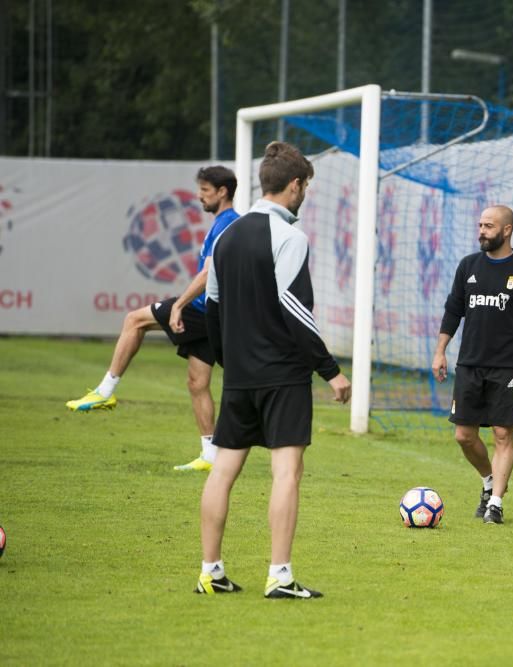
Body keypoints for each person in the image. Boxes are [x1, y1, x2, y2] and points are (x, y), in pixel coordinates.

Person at [196, 141, 351, 599]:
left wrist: (230, 361)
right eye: (306, 188)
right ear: (295, 185)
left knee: (222, 470)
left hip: (241, 376)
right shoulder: (291, 237)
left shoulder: (227, 236)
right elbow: (294, 308)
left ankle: (210, 571)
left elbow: (214, 307)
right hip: (283, 377)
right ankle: (280, 576)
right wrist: (331, 371)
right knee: (287, 473)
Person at [66, 166, 240, 472]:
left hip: (201, 308)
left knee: (134, 320)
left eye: (205, 191)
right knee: (197, 382)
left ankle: (105, 391)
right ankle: (210, 455)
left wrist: (179, 304)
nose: (200, 196)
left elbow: (209, 271)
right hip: (217, 314)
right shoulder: (223, 222)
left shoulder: (227, 223)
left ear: (223, 191)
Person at [432, 205, 513, 525]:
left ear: (507, 229)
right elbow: (453, 310)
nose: (482, 231)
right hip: (470, 363)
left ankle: (495, 503)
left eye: (488, 226)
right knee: (463, 435)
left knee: (502, 433)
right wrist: (440, 351)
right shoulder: (468, 266)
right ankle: (489, 481)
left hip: (507, 366)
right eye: (480, 225)